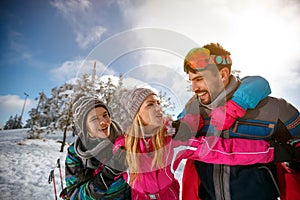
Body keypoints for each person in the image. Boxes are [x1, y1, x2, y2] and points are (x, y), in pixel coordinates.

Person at [104, 87, 288, 200]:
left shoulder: (173, 142)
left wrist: (272, 151)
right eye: (150, 104)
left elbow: (221, 150)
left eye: (158, 102)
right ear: (137, 115)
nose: (158, 107)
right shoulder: (122, 147)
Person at [182, 43, 300, 200]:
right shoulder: (193, 114)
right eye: (191, 81)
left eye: (199, 79)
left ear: (223, 75)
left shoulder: (273, 109)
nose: (194, 88)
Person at [61, 94, 131, 200]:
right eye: (94, 119)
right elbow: (74, 197)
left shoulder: (124, 141)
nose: (103, 122)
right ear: (84, 126)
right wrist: (106, 176)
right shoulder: (75, 153)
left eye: (105, 115)